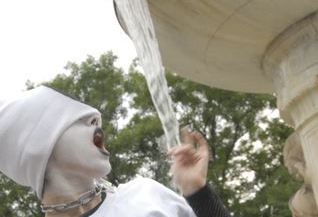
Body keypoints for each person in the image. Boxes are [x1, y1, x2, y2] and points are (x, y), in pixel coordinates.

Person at [0, 85, 229, 216]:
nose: (95, 118)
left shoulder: (146, 194)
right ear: (35, 147)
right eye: (74, 119)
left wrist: (198, 193)